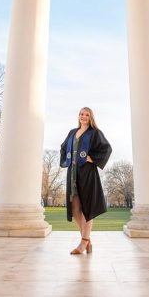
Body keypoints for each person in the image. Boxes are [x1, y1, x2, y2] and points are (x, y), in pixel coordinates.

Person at [59, 106, 112, 255]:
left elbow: (106, 149)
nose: (83, 117)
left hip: (87, 173)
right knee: (75, 209)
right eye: (81, 114)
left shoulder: (94, 133)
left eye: (86, 115)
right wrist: (67, 159)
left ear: (91, 117)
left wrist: (92, 158)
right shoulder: (72, 133)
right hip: (73, 173)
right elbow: (63, 148)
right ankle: (87, 238)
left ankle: (83, 243)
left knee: (87, 208)